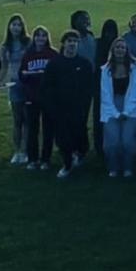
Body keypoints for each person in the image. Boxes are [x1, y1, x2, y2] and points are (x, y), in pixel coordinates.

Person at [46, 32, 97, 178]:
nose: (72, 44)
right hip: (60, 108)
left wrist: (85, 104)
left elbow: (89, 87)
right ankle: (67, 165)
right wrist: (52, 106)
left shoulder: (84, 64)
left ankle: (79, 154)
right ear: (63, 43)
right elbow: (48, 87)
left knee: (80, 135)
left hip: (79, 108)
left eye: (75, 41)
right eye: (69, 41)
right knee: (63, 138)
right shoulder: (54, 64)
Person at [100, 38, 136, 178]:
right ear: (113, 50)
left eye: (123, 48)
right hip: (110, 108)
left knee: (127, 141)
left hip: (130, 107)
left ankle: (128, 167)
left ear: (127, 51)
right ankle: (113, 168)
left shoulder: (135, 66)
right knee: (112, 142)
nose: (120, 50)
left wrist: (126, 112)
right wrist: (115, 113)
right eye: (117, 47)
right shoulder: (105, 69)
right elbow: (105, 94)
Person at [17, 26, 56, 169]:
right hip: (32, 96)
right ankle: (32, 159)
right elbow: (22, 74)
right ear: (34, 38)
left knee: (48, 129)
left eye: (43, 36)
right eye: (38, 36)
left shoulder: (52, 54)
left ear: (47, 38)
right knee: (32, 129)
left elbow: (56, 76)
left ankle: (46, 159)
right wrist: (27, 75)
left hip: (48, 97)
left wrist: (42, 75)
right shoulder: (28, 55)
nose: (40, 38)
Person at [1, 16, 32, 164]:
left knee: (27, 119)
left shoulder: (28, 42)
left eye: (19, 25)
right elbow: (4, 67)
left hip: (27, 84)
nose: (16, 27)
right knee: (17, 120)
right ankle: (17, 151)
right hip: (13, 85)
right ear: (9, 26)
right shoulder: (5, 46)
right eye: (14, 24)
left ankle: (25, 151)